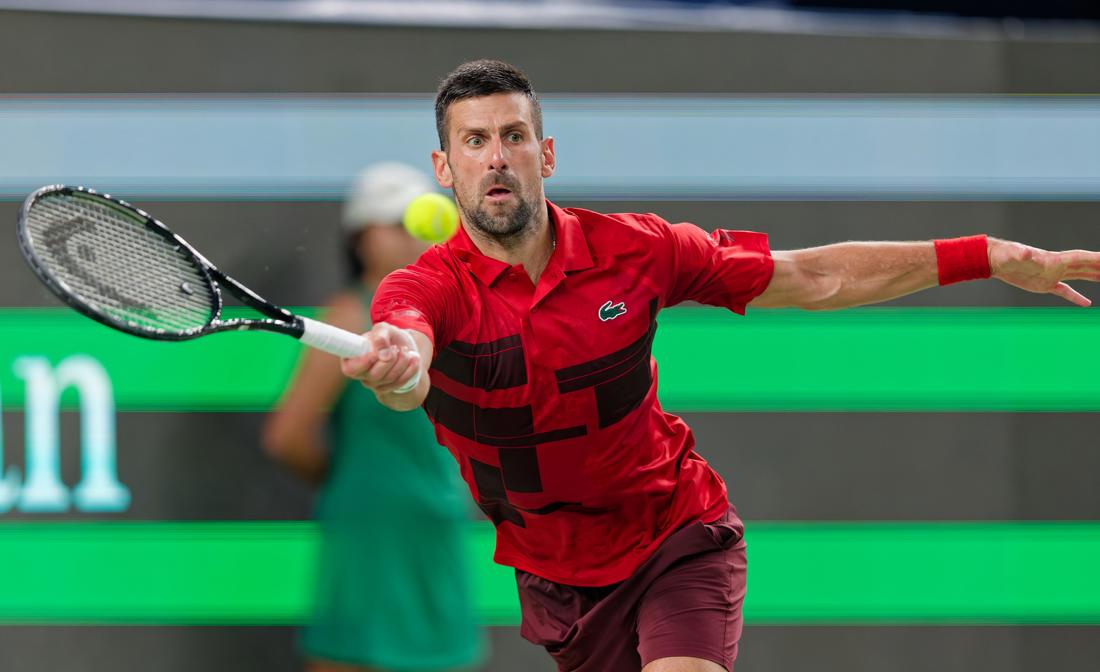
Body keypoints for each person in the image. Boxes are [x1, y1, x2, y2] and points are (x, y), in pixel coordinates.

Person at [339, 60, 1100, 672]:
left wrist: (990, 256)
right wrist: (401, 365)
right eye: (474, 141)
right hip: (559, 577)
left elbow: (813, 276)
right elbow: (409, 356)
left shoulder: (637, 250)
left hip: (677, 534)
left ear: (547, 155)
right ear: (445, 166)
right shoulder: (422, 289)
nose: (496, 157)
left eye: (512, 135)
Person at [263, 162, 486, 672]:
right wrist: (358, 486)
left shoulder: (453, 315)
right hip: (368, 534)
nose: (412, 236)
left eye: (417, 221)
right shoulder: (346, 316)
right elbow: (288, 437)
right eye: (395, 223)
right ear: (361, 239)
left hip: (436, 529)